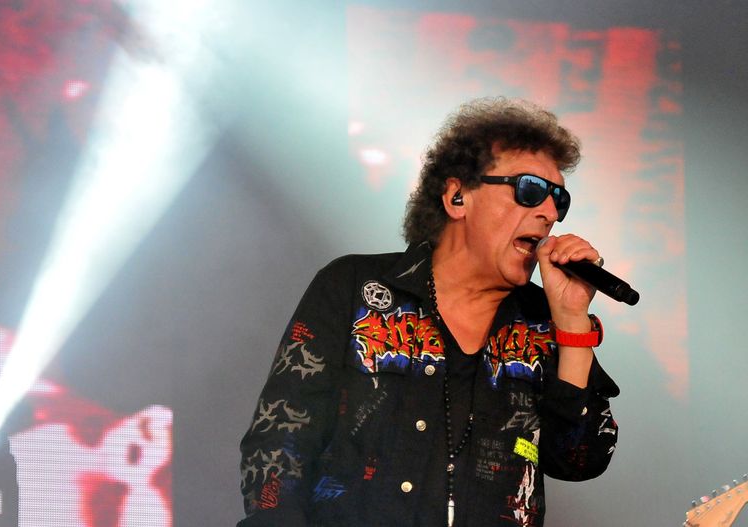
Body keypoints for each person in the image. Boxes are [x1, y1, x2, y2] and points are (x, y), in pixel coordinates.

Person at [238, 97, 620, 527]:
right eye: (529, 189)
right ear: (458, 197)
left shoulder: (544, 323)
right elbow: (280, 440)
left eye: (558, 199)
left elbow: (579, 459)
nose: (549, 213)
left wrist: (572, 322)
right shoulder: (356, 288)